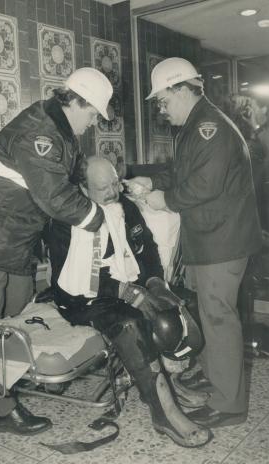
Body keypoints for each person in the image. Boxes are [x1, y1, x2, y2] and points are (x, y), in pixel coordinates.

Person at [0, 67, 113, 435]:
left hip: (15, 234)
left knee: (19, 311)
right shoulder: (40, 131)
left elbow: (66, 182)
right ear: (76, 101)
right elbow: (54, 195)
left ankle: (5, 380)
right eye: (92, 113)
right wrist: (98, 216)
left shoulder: (62, 131)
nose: (93, 122)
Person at [124, 57, 262, 428]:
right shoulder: (193, 126)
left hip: (222, 242)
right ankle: (217, 380)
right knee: (211, 316)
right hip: (211, 239)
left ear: (183, 89)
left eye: (164, 100)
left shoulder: (209, 126)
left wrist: (163, 200)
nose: (162, 108)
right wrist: (153, 182)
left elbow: (205, 185)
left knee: (219, 320)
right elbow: (182, 171)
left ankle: (229, 405)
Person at [42, 156, 212, 448]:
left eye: (114, 184)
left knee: (183, 306)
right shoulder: (64, 221)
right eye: (102, 188)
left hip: (128, 286)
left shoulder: (125, 207)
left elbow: (146, 251)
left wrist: (156, 283)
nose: (112, 193)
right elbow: (73, 281)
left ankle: (171, 383)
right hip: (84, 299)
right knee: (130, 325)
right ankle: (164, 413)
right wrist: (126, 292)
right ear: (83, 189)